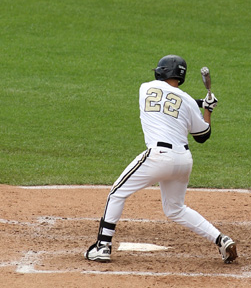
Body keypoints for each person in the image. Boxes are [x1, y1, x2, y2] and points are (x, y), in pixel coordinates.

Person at [84, 54, 237, 264]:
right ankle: (221, 239)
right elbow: (203, 135)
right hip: (183, 161)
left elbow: (168, 103)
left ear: (161, 71)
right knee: (175, 208)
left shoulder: (145, 88)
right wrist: (207, 109)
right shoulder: (187, 101)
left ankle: (102, 247)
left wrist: (201, 103)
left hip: (158, 158)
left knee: (117, 193)